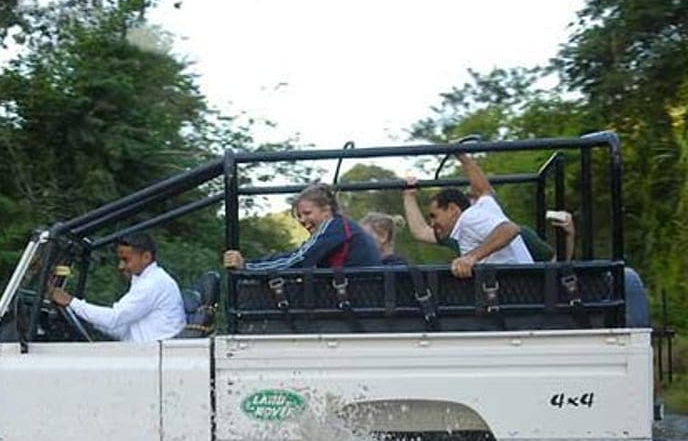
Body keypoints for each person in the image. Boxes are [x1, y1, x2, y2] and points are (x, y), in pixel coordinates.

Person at [400, 152, 532, 278]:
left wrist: (471, 257)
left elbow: (510, 229)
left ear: (452, 209)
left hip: (516, 289)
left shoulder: (469, 218)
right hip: (517, 286)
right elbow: (484, 189)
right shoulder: (484, 207)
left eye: (434, 216)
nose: (432, 223)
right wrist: (463, 158)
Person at [48, 232, 185, 342]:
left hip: (154, 359)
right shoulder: (148, 280)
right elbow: (122, 329)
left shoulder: (153, 283)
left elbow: (113, 319)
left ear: (146, 257)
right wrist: (88, 320)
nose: (120, 266)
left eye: (126, 260)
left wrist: (72, 302)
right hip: (149, 356)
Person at [223, 183, 382, 272]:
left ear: (326, 210)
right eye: (299, 216)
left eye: (307, 213)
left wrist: (247, 266)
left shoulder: (334, 227)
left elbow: (298, 260)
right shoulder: (342, 227)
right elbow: (300, 255)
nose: (303, 220)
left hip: (356, 296)